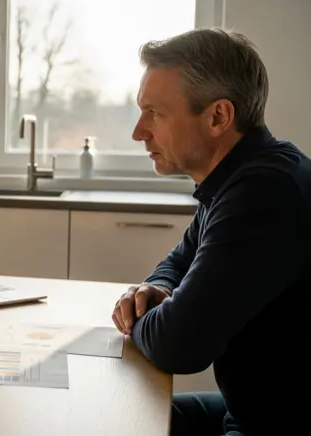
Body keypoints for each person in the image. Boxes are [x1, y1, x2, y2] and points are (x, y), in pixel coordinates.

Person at [111, 28, 309, 436]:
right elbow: (177, 261)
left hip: (276, 424)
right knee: (117, 418)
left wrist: (143, 316)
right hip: (252, 407)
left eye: (155, 113)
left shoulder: (264, 192)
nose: (139, 132)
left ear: (218, 116)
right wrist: (157, 289)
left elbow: (178, 346)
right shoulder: (239, 178)